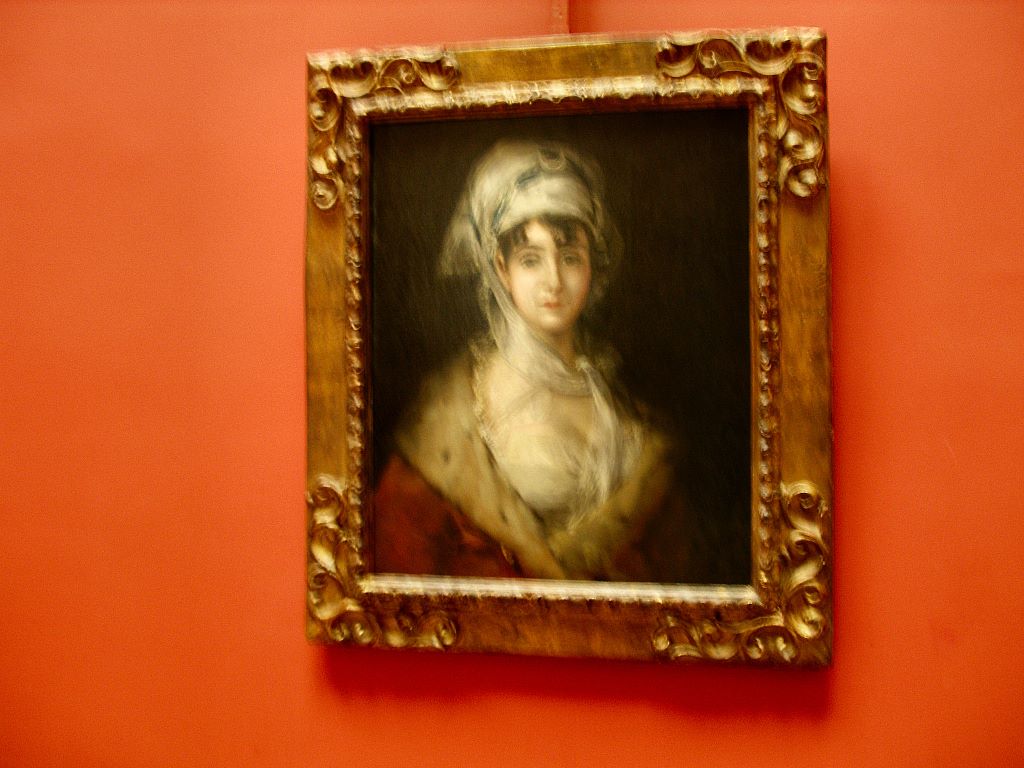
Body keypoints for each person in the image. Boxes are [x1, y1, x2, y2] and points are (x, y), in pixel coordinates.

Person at [373, 139, 684, 581]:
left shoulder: (621, 410)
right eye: (531, 260)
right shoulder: (453, 415)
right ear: (501, 268)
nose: (553, 281)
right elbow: (400, 554)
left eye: (570, 258)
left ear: (592, 266)